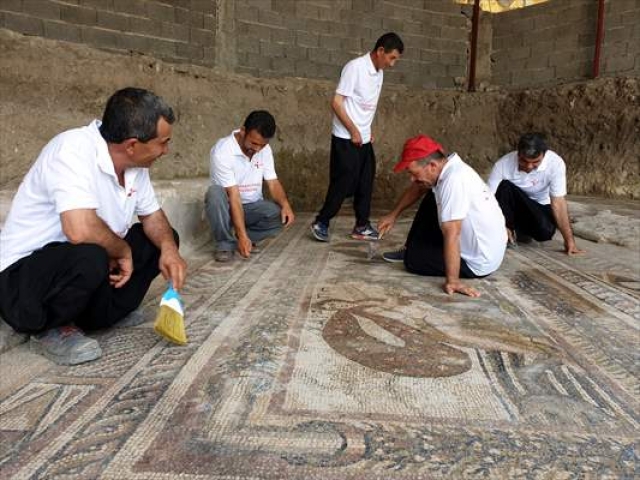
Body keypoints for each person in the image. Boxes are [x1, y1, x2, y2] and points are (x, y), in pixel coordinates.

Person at [0, 87, 187, 365]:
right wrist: (122, 251)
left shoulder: (135, 167)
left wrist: (170, 250)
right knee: (90, 254)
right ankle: (49, 328)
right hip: (26, 284)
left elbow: (152, 217)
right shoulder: (71, 149)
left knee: (161, 239)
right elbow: (79, 229)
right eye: (162, 143)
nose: (166, 151)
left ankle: (101, 316)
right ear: (132, 144)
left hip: (87, 275)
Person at [378, 135, 507, 298]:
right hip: (484, 248)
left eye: (413, 173)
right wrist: (393, 215)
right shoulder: (448, 168)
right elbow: (417, 188)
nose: (412, 178)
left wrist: (453, 281)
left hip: (478, 261)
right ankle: (409, 247)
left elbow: (453, 233)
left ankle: (411, 252)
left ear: (432, 165)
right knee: (428, 191)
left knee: (413, 260)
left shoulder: (454, 180)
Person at [310, 32, 404, 243]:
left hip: (363, 137)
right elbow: (336, 102)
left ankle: (361, 225)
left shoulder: (379, 72)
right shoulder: (355, 68)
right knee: (343, 183)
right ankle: (321, 222)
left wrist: (366, 130)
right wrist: (353, 130)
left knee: (366, 181)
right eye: (392, 58)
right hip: (345, 137)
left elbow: (366, 105)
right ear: (380, 51)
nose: (393, 64)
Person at [205, 110, 295, 262]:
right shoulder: (222, 151)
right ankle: (225, 243)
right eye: (254, 143)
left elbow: (272, 182)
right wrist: (242, 235)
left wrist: (285, 205)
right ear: (243, 131)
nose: (258, 149)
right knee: (214, 194)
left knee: (279, 214)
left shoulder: (264, 150)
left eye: (263, 145)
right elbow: (234, 196)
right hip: (226, 208)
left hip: (251, 208)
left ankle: (240, 238)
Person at [487, 133, 584, 255]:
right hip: (510, 209)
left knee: (546, 232)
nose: (529, 166)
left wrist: (569, 241)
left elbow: (558, 203)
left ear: (544, 155)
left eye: (535, 162)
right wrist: (499, 225)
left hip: (539, 207)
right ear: (518, 153)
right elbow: (488, 200)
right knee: (505, 186)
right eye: (523, 160)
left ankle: (519, 230)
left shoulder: (555, 163)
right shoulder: (502, 165)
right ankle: (508, 230)